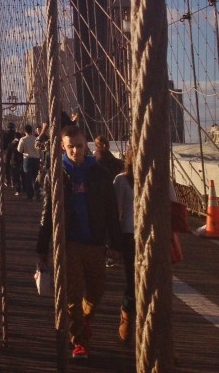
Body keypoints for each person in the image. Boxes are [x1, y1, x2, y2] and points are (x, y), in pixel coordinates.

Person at [36, 123, 123, 360]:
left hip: (95, 242)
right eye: (71, 147)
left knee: (96, 292)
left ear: (87, 145)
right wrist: (42, 248)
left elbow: (111, 211)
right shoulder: (55, 173)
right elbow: (47, 212)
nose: (76, 151)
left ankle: (84, 321)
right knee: (72, 295)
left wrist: (115, 244)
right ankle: (79, 341)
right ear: (63, 147)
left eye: (80, 146)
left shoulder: (101, 173)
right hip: (69, 242)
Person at [113, 147, 135, 344]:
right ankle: (127, 314)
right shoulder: (122, 180)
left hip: (156, 238)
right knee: (133, 283)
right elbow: (116, 212)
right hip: (130, 237)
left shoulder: (162, 178)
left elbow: (172, 206)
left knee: (158, 284)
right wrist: (114, 244)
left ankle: (159, 335)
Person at [16, 123, 42, 200]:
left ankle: (30, 195)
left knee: (28, 177)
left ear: (25, 131)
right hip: (36, 159)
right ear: (32, 130)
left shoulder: (23, 139)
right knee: (36, 178)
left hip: (27, 159)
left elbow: (19, 150)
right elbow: (40, 149)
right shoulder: (36, 139)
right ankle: (37, 194)